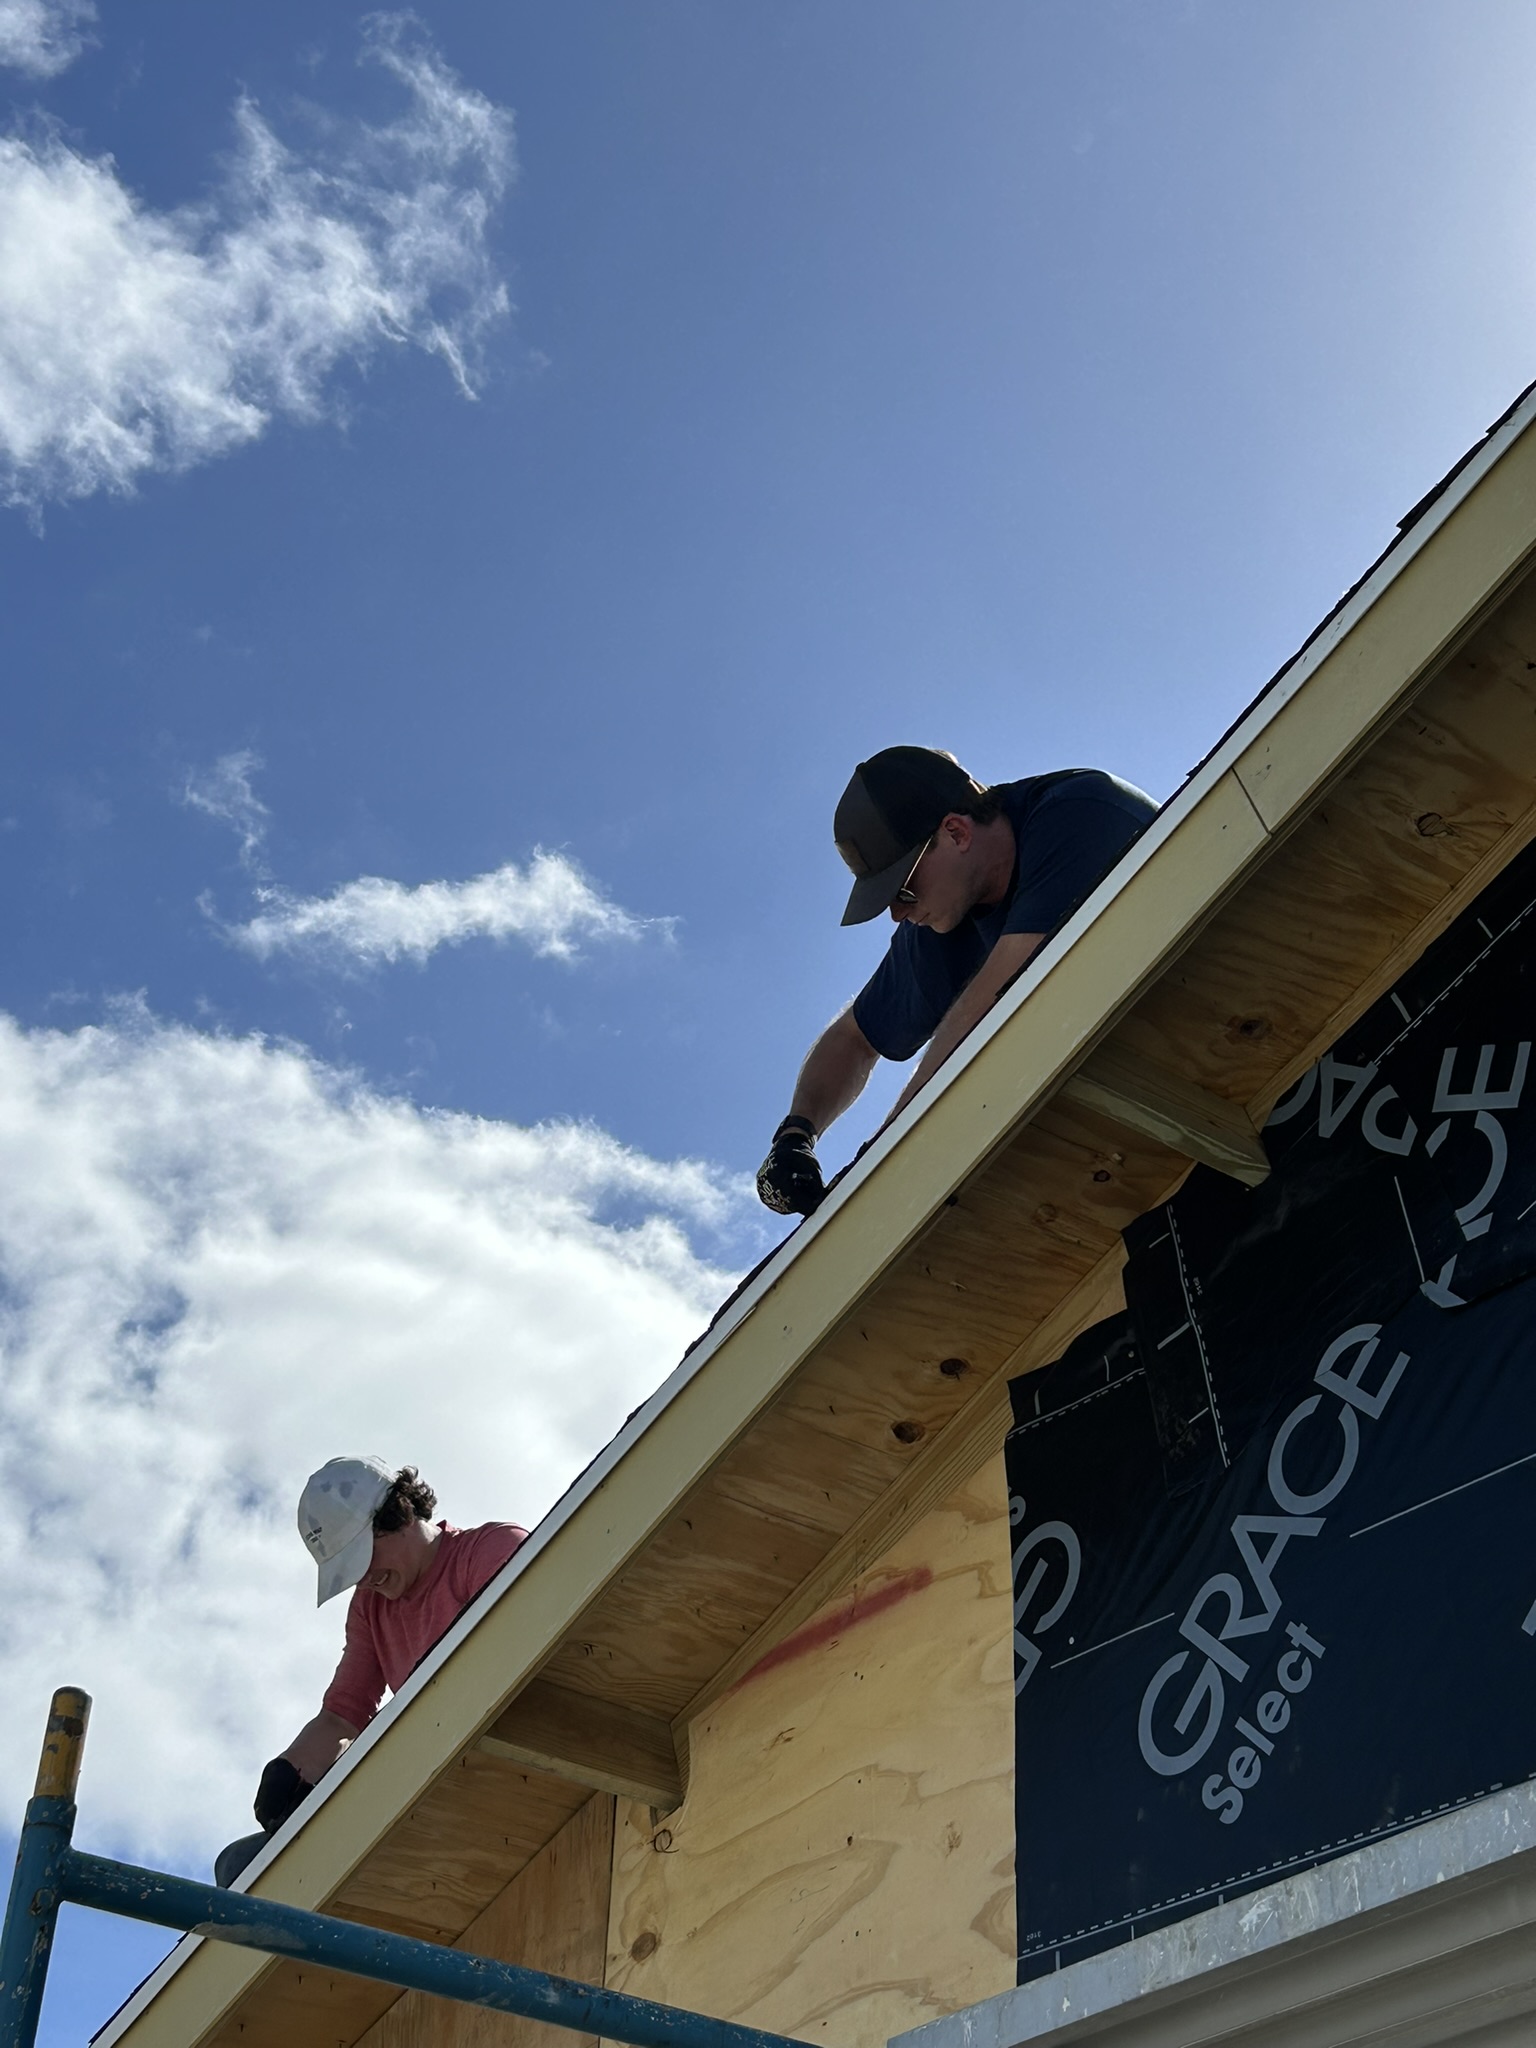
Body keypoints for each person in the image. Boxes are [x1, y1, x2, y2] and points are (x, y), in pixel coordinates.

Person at [757, 746, 1157, 1217]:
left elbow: (1001, 994)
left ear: (956, 832)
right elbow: (854, 1039)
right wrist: (795, 1136)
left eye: (903, 890)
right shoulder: (944, 916)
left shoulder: (1082, 811)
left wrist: (876, 1165)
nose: (898, 914)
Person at [213, 1457, 528, 1888]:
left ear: (400, 1514)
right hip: (425, 1779)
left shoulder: (490, 1550)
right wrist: (289, 1772)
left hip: (496, 1765)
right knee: (238, 1865)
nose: (364, 1580)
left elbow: (510, 1669)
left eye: (361, 1559)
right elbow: (343, 1715)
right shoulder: (371, 1606)